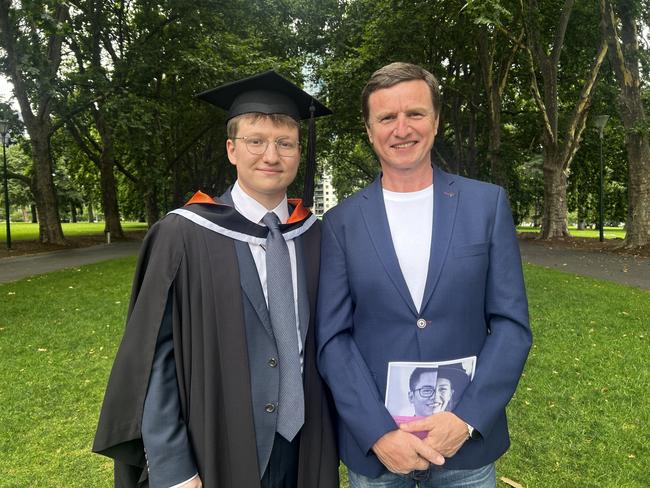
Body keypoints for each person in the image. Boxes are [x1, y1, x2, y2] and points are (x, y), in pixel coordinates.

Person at [93, 70, 339, 488]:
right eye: (255, 141)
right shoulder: (184, 234)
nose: (271, 156)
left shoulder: (316, 235)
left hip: (307, 447)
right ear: (231, 149)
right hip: (217, 443)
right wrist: (173, 466)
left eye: (285, 143)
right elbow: (156, 358)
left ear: (300, 151)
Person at [316, 62, 532, 487]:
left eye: (414, 114)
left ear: (435, 121)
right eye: (387, 117)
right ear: (369, 129)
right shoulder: (341, 223)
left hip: (465, 448)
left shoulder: (485, 206)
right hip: (381, 452)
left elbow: (511, 325)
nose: (402, 129)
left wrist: (467, 419)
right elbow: (333, 339)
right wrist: (377, 432)